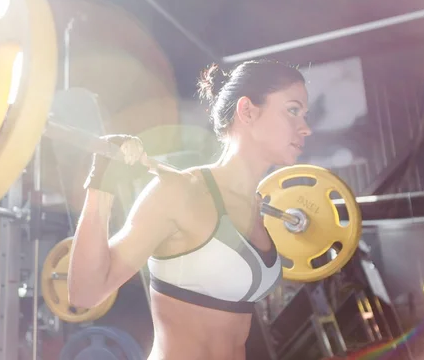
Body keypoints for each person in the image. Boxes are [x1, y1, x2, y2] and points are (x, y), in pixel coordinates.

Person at [67, 59, 312, 360]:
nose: (305, 128)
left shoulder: (258, 206)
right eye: (293, 110)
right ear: (247, 110)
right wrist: (101, 183)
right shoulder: (179, 192)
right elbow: (85, 293)